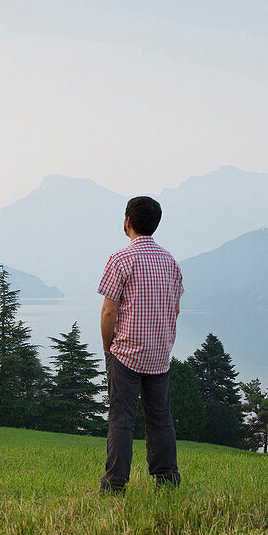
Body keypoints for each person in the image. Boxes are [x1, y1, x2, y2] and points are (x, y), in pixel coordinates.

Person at [98, 195, 184, 492]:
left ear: (128, 222)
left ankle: (115, 484)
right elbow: (174, 308)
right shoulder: (170, 261)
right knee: (160, 418)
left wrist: (108, 348)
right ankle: (167, 478)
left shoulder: (121, 260)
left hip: (127, 353)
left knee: (122, 419)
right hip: (160, 354)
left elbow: (109, 311)